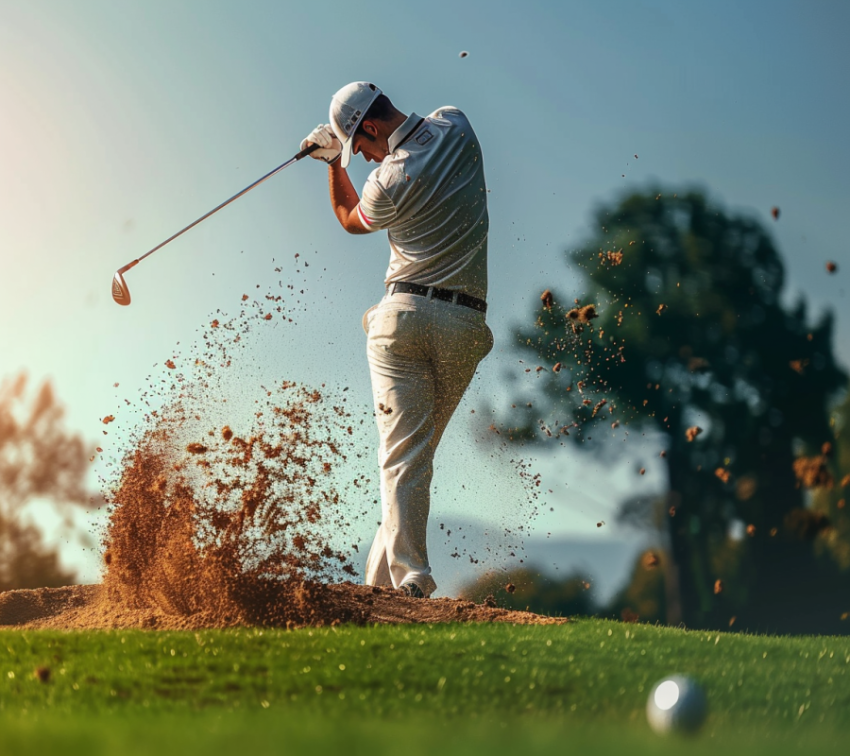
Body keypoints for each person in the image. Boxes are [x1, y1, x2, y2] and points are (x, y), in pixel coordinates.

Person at [301, 82, 492, 598]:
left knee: (402, 460)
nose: (361, 157)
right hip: (465, 329)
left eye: (357, 146)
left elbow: (348, 220)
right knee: (414, 460)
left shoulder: (385, 184)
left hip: (404, 324)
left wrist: (330, 165)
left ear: (369, 126)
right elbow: (424, 127)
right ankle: (377, 594)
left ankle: (413, 575)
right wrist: (341, 150)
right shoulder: (457, 122)